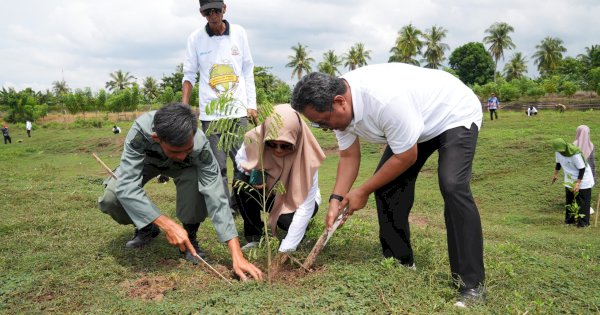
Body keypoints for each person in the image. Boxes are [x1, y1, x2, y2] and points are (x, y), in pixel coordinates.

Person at [291, 63, 486, 306]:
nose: (324, 128)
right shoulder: (338, 106)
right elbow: (349, 156)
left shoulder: (384, 101)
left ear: (340, 101)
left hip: (453, 113)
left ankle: (472, 286)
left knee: (453, 185)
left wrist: (362, 190)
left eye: (323, 122)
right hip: (416, 122)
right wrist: (336, 199)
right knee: (388, 187)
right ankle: (400, 261)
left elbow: (407, 156)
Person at [97, 103, 263, 281]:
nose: (183, 155)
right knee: (111, 199)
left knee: (194, 178)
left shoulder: (200, 145)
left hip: (183, 170)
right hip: (147, 163)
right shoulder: (140, 132)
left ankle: (190, 236)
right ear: (156, 138)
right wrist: (166, 224)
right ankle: (146, 226)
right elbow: (127, 186)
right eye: (176, 150)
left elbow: (217, 197)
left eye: (188, 150)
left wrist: (237, 255)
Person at [182, 0, 257, 214]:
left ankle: (240, 203)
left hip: (238, 111)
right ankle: (225, 209)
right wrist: (184, 109)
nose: (213, 15)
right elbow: (189, 74)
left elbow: (247, 69)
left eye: (216, 10)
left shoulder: (240, 33)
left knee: (243, 163)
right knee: (218, 165)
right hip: (211, 114)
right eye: (208, 11)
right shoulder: (195, 39)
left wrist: (251, 104)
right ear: (201, 13)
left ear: (225, 8)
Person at [234, 104, 325, 253]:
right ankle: (255, 236)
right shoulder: (254, 139)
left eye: (285, 146)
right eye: (272, 144)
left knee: (286, 222)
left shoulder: (307, 155)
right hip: (269, 192)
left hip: (297, 199)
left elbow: (305, 206)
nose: (278, 150)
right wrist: (256, 172)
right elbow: (240, 161)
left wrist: (286, 248)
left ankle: (299, 231)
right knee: (240, 183)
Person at [551, 138, 595, 227]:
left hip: (583, 178)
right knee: (570, 200)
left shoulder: (575, 154)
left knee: (583, 201)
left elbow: (582, 169)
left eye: (562, 150)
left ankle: (583, 224)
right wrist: (555, 174)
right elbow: (558, 163)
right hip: (570, 178)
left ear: (565, 147)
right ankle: (569, 221)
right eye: (559, 151)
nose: (561, 152)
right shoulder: (558, 151)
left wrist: (578, 184)